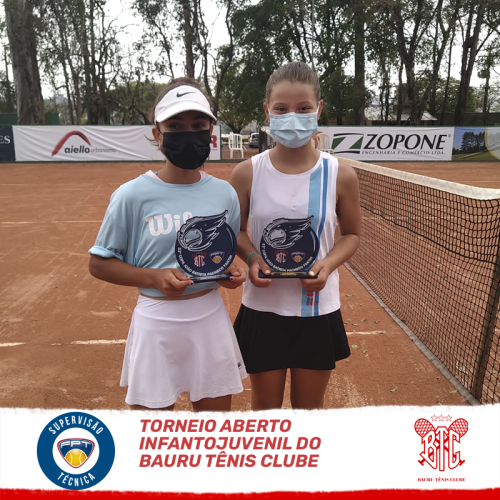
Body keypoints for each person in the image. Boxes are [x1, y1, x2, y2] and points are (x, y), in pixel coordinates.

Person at [88, 77, 247, 412]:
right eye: (175, 126)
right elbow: (99, 263)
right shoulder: (131, 195)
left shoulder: (225, 194)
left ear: (210, 131)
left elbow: (223, 253)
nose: (188, 133)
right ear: (157, 134)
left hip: (209, 318)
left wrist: (228, 272)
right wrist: (154, 277)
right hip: (156, 322)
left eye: (198, 125)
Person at [230, 62, 361, 410]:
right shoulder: (246, 173)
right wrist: (253, 258)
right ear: (267, 111)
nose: (292, 116)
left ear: (319, 108)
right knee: (265, 409)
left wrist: (327, 265)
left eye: (303, 108)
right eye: (281, 109)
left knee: (309, 408)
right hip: (263, 308)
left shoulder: (340, 174)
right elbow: (238, 232)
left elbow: (351, 234)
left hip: (316, 310)